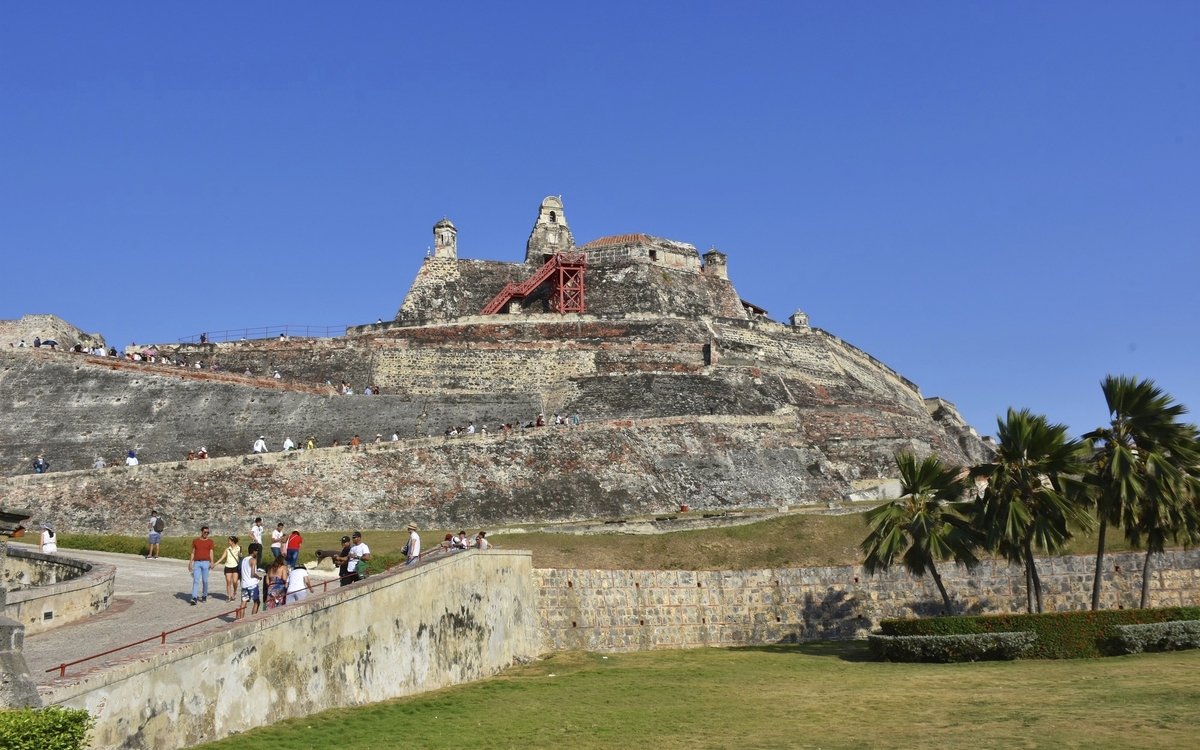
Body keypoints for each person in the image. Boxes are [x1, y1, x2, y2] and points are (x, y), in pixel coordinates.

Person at [188, 526, 215, 605]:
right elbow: (193, 552)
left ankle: (204, 595)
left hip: (206, 562)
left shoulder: (210, 542)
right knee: (196, 580)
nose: (206, 534)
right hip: (197, 562)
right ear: (201, 532)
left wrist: (212, 562)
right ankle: (194, 597)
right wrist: (190, 563)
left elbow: (211, 552)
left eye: (207, 532)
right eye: (205, 532)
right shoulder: (195, 541)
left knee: (205, 581)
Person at [240, 543, 264, 615]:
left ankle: (241, 620)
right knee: (257, 602)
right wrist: (259, 577)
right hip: (252, 584)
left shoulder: (244, 559)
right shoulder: (253, 560)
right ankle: (252, 618)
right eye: (257, 550)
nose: (257, 552)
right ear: (253, 551)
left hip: (244, 584)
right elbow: (253, 573)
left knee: (243, 603)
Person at [216, 536, 241, 602]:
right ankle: (229, 597)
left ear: (232, 542)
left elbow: (240, 557)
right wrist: (215, 564)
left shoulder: (238, 548)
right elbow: (222, 558)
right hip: (228, 566)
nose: (228, 542)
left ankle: (235, 592)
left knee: (235, 581)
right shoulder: (227, 549)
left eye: (229, 541)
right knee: (228, 581)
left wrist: (240, 555)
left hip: (235, 566)